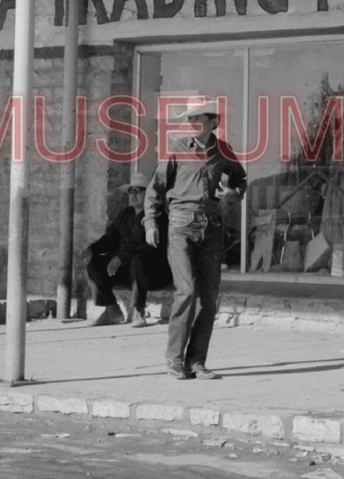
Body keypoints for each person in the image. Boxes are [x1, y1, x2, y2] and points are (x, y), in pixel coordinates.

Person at [144, 107, 247, 380]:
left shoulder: (223, 150)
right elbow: (156, 187)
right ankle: (174, 359)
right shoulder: (177, 148)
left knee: (209, 300)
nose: (192, 124)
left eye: (198, 119)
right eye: (189, 119)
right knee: (186, 291)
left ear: (213, 122)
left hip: (211, 228)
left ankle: (196, 362)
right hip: (180, 226)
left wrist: (232, 193)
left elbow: (240, 179)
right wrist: (151, 222)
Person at [85, 180, 170, 328]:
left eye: (139, 191)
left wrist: (122, 257)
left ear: (148, 194)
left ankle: (139, 311)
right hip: (128, 273)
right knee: (94, 263)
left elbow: (151, 247)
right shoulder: (126, 214)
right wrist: (91, 249)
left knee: (139, 259)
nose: (134, 195)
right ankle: (112, 309)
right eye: (131, 192)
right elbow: (110, 239)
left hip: (154, 274)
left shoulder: (158, 215)